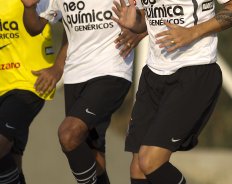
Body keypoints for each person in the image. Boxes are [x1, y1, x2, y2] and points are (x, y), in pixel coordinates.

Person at [112, 0, 232, 183]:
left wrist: (193, 32)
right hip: (153, 74)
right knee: (138, 168)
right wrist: (135, 23)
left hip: (194, 71)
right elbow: (151, 16)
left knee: (150, 161)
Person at [21, 0, 147, 183]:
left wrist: (141, 32)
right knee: (94, 159)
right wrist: (29, 8)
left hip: (112, 72)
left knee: (68, 134)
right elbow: (34, 27)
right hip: (75, 77)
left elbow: (155, 11)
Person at [0, 0, 64, 183]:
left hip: (29, 85)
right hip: (2, 87)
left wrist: (58, 67)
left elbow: (71, 24)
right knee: (12, 160)